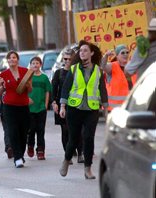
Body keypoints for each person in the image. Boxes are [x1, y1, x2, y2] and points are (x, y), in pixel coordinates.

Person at [59, 40, 108, 180]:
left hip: (91, 109)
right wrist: (62, 106)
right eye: (80, 51)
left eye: (85, 50)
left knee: (88, 138)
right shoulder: (74, 69)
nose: (82, 53)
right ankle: (66, 160)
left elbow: (102, 89)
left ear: (92, 53)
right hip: (74, 108)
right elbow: (66, 88)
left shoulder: (98, 70)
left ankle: (88, 168)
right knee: (73, 139)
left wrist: (105, 108)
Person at [0, 51, 32, 168]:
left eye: (14, 57)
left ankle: (20, 154)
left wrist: (27, 85)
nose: (12, 60)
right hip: (9, 106)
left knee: (23, 132)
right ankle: (17, 158)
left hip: (23, 106)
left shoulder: (25, 72)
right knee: (13, 131)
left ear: (17, 59)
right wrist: (2, 86)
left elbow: (30, 89)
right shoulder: (3, 74)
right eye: (10, 58)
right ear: (7, 60)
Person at [52, 49, 83, 163]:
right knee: (65, 131)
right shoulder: (59, 73)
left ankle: (80, 153)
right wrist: (54, 103)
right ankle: (68, 155)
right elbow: (54, 90)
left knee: (78, 130)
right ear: (62, 59)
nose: (68, 61)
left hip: (77, 105)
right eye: (65, 59)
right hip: (62, 105)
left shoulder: (79, 72)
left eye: (70, 59)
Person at [26, 57, 51, 160]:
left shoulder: (44, 78)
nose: (35, 65)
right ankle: (30, 146)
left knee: (41, 130)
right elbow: (23, 90)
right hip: (29, 108)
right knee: (31, 130)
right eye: (33, 63)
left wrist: (46, 105)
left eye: (37, 63)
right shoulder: (28, 77)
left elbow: (47, 92)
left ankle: (40, 150)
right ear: (30, 65)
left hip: (41, 108)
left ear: (40, 65)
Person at [101, 44, 137, 111]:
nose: (125, 54)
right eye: (122, 53)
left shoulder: (132, 67)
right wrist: (106, 56)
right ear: (117, 56)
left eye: (127, 52)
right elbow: (103, 66)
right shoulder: (112, 66)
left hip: (129, 108)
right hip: (112, 110)